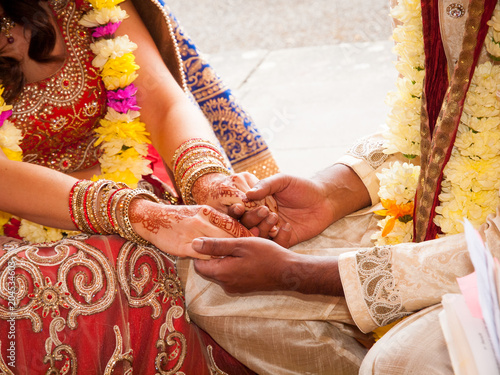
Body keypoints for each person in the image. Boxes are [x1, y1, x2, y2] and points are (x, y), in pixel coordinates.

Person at [175, 0, 500, 374]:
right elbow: (436, 120)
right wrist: (328, 193)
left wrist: (299, 275)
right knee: (209, 284)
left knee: (402, 363)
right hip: (454, 212)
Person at [0, 0, 279, 372]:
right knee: (114, 271)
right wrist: (137, 215)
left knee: (226, 255)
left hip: (136, 191)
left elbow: (163, 104)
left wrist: (206, 179)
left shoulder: (91, 6)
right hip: (18, 231)